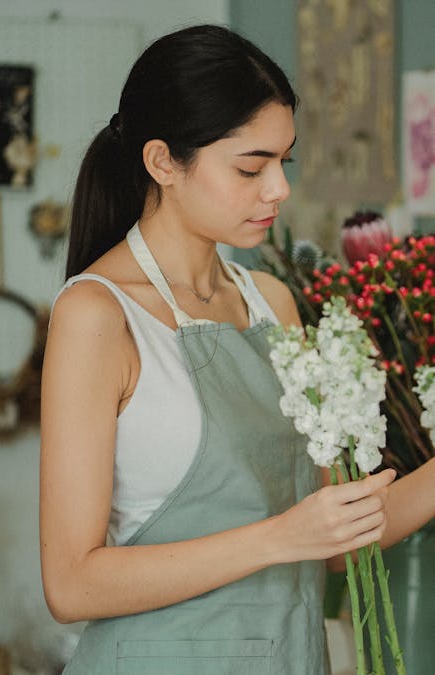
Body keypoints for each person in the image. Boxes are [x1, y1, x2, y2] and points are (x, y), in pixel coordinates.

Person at [40, 24, 435, 674]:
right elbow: (71, 584)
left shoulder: (272, 302)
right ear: (163, 161)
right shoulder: (97, 314)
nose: (278, 188)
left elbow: (334, 538)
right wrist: (279, 537)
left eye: (286, 162)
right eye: (251, 166)